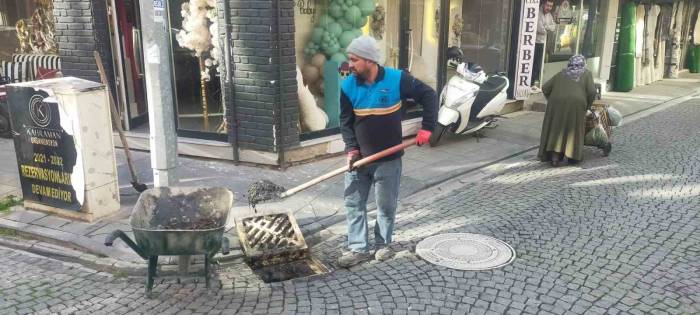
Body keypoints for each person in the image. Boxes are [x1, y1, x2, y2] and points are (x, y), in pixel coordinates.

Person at [337, 36, 438, 268]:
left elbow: (429, 96)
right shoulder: (348, 86)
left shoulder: (397, 79)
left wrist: (427, 128)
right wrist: (352, 149)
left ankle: (383, 244)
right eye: (349, 59)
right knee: (354, 204)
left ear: (370, 60)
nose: (349, 65)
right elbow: (346, 122)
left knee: (386, 206)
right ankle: (358, 248)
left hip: (389, 159)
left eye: (354, 60)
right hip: (359, 159)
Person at [538, 54, 596, 166]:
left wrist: (552, 100)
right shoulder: (587, 74)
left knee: (556, 128)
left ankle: (554, 157)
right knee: (573, 129)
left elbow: (545, 88)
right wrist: (588, 105)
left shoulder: (562, 73)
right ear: (583, 64)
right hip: (577, 104)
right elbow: (592, 92)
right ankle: (572, 156)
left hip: (556, 103)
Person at [532, 0, 556, 93]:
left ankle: (534, 84)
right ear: (543, 4)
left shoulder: (549, 15)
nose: (549, 8)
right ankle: (530, 84)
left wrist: (547, 27)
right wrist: (547, 28)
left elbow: (553, 27)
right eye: (548, 5)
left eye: (551, 6)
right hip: (534, 42)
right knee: (534, 64)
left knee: (538, 64)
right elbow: (540, 29)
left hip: (543, 43)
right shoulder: (538, 13)